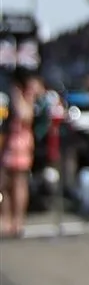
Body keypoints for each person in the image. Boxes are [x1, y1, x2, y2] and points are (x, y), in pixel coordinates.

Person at [0, 68, 37, 238]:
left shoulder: (28, 95)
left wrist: (16, 96)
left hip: (22, 143)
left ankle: (18, 220)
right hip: (7, 142)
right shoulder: (6, 96)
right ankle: (5, 219)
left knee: (19, 183)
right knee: (4, 183)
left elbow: (26, 115)